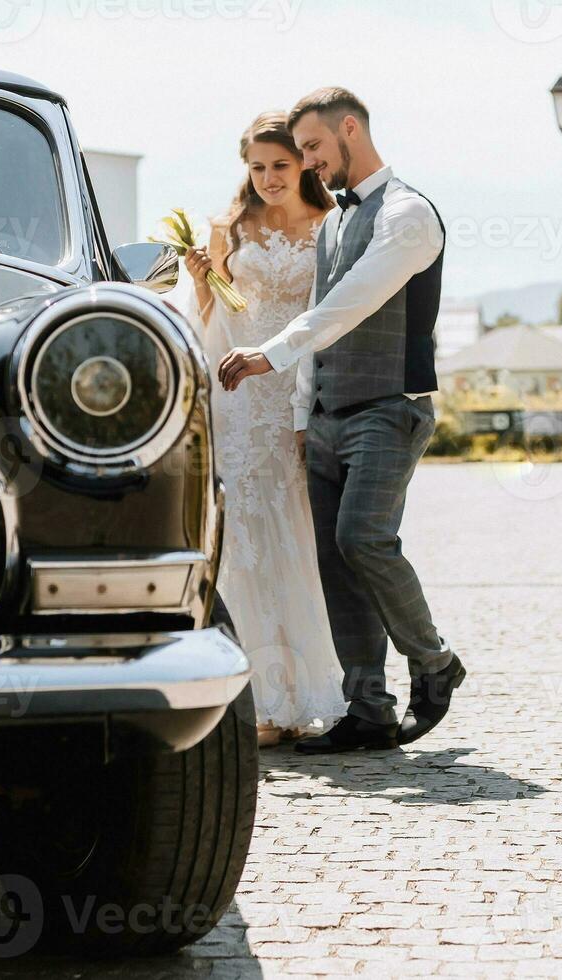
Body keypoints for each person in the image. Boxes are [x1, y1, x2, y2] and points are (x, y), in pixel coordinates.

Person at [216, 87, 465, 755]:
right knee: (333, 562)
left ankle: (435, 661)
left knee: (363, 540)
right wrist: (300, 413)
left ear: (350, 128)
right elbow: (322, 322)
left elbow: (351, 302)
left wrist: (269, 354)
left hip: (389, 407)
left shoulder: (408, 215)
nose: (308, 164)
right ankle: (369, 710)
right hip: (323, 413)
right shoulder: (331, 224)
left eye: (314, 148)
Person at [181, 111, 348, 747]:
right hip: (241, 395)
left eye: (281, 164)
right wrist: (201, 279)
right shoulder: (230, 227)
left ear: (305, 163)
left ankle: (306, 692)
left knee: (298, 533)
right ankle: (256, 704)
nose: (270, 178)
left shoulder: (332, 227)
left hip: (298, 393)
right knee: (244, 536)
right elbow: (212, 317)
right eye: (258, 167)